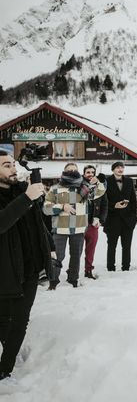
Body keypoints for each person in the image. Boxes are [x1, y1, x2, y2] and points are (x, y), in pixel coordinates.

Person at [0, 150, 53, 380]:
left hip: (29, 269)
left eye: (12, 164)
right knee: (4, 319)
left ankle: (5, 366)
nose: (12, 169)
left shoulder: (21, 190)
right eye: (5, 165)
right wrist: (26, 198)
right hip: (5, 270)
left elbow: (39, 220)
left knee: (20, 320)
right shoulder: (22, 196)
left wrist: (49, 251)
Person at [43, 162, 106, 288]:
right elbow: (46, 208)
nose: (72, 171)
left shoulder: (85, 188)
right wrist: (61, 207)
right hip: (60, 229)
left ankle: (73, 279)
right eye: (69, 169)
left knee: (76, 256)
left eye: (74, 169)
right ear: (64, 172)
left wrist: (97, 182)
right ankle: (53, 281)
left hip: (79, 228)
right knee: (57, 256)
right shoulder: (55, 188)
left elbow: (100, 192)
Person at [103, 162, 137, 271]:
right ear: (113, 170)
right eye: (117, 167)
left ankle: (126, 267)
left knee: (126, 246)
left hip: (128, 220)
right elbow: (104, 201)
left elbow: (133, 200)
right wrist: (114, 206)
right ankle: (110, 268)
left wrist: (133, 217)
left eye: (122, 167)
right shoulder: (106, 182)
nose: (120, 169)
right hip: (112, 219)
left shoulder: (129, 181)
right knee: (111, 246)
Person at [82, 165, 108, 279]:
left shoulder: (100, 188)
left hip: (93, 223)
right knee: (76, 250)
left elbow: (105, 205)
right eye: (88, 172)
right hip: (79, 223)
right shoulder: (78, 185)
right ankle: (72, 271)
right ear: (83, 174)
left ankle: (88, 271)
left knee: (91, 249)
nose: (90, 174)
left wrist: (101, 219)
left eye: (93, 172)